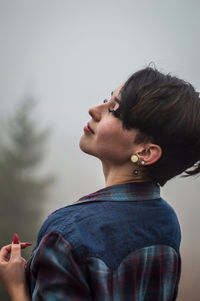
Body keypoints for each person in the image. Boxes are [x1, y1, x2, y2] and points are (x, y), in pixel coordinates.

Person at [0, 66, 200, 301]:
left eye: (114, 110)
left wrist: (15, 287)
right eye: (107, 100)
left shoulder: (68, 234)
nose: (94, 109)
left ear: (145, 152)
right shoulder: (166, 221)